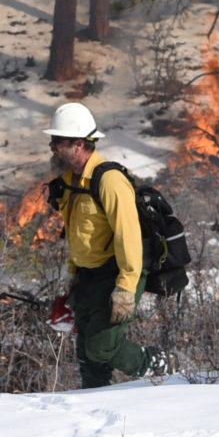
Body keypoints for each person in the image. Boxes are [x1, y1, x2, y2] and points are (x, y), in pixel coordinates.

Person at [46, 101, 160, 388]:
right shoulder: (70, 182)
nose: (52, 146)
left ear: (79, 144)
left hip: (117, 273)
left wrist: (126, 288)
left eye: (58, 140)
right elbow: (76, 233)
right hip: (88, 276)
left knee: (101, 347)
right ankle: (94, 400)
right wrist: (72, 275)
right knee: (86, 352)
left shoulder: (109, 181)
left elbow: (128, 236)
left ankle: (156, 364)